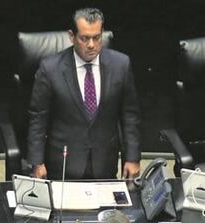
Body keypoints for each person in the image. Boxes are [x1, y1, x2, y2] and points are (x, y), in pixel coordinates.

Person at [27, 7, 141, 181]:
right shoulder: (50, 69)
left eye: (96, 37)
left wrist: (133, 157)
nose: (91, 45)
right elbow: (38, 118)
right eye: (84, 38)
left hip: (104, 161)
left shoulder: (121, 65)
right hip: (63, 164)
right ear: (71, 36)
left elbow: (130, 115)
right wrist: (36, 162)